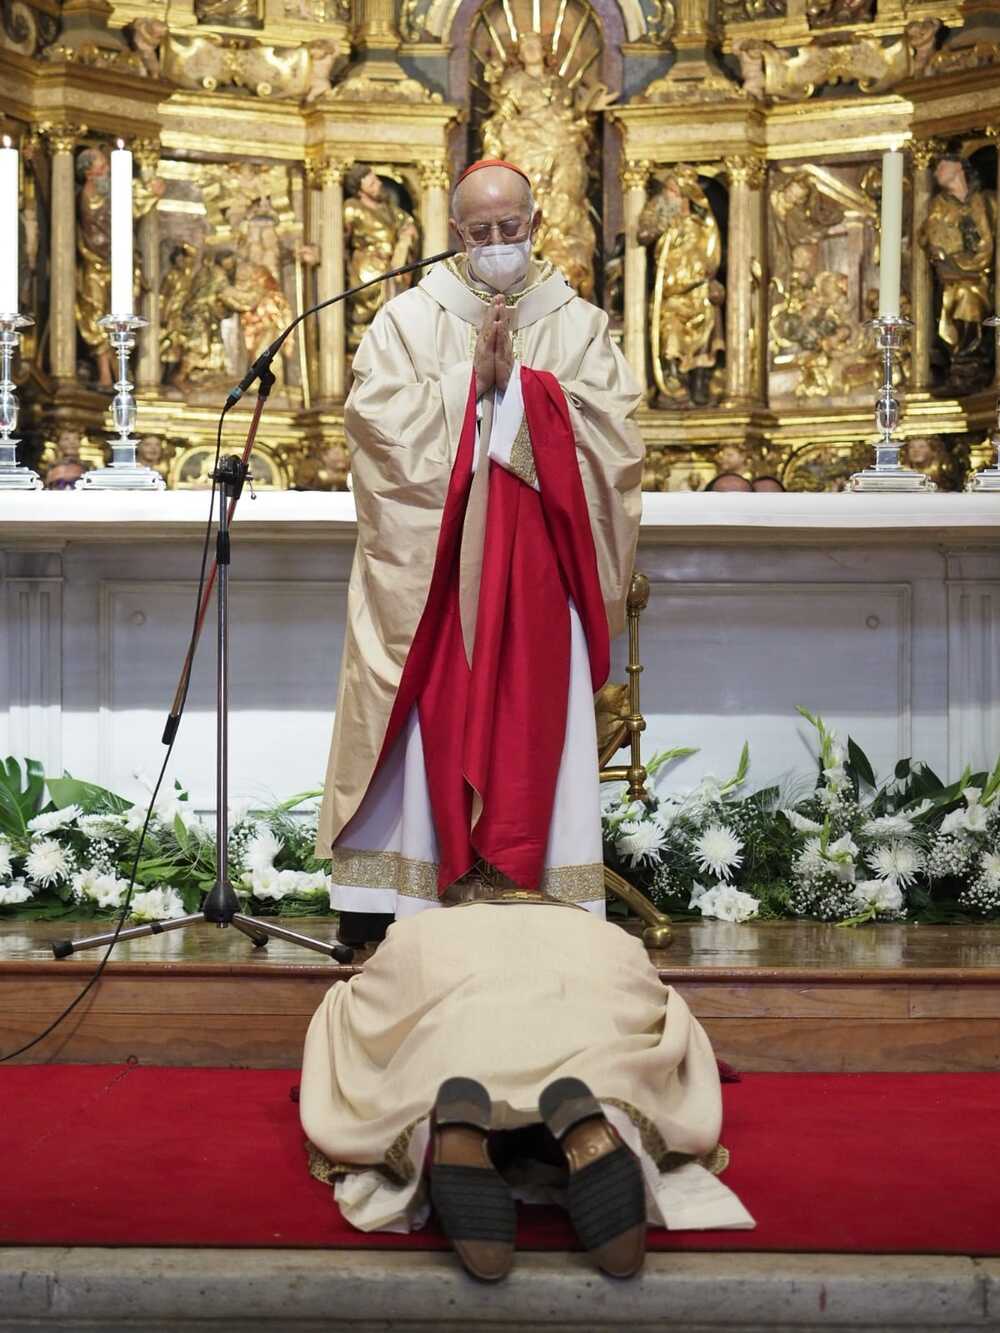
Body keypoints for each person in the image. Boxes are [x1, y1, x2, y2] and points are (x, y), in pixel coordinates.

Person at [316, 159, 644, 944]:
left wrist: (520, 396)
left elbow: (617, 438)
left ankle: (543, 882)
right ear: (455, 233)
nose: (498, 242)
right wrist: (474, 387)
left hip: (541, 577)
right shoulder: (408, 320)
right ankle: (421, 887)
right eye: (481, 230)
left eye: (512, 227)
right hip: (439, 576)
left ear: (536, 223)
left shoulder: (579, 323)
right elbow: (376, 427)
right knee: (434, 718)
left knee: (537, 723)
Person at [299, 888, 752, 1281]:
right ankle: (600, 1122)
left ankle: (445, 1132)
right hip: (584, 998)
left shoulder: (419, 931)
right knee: (612, 1052)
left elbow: (369, 1007)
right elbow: (654, 1004)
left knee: (391, 1034)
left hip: (456, 1016)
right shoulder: (609, 936)